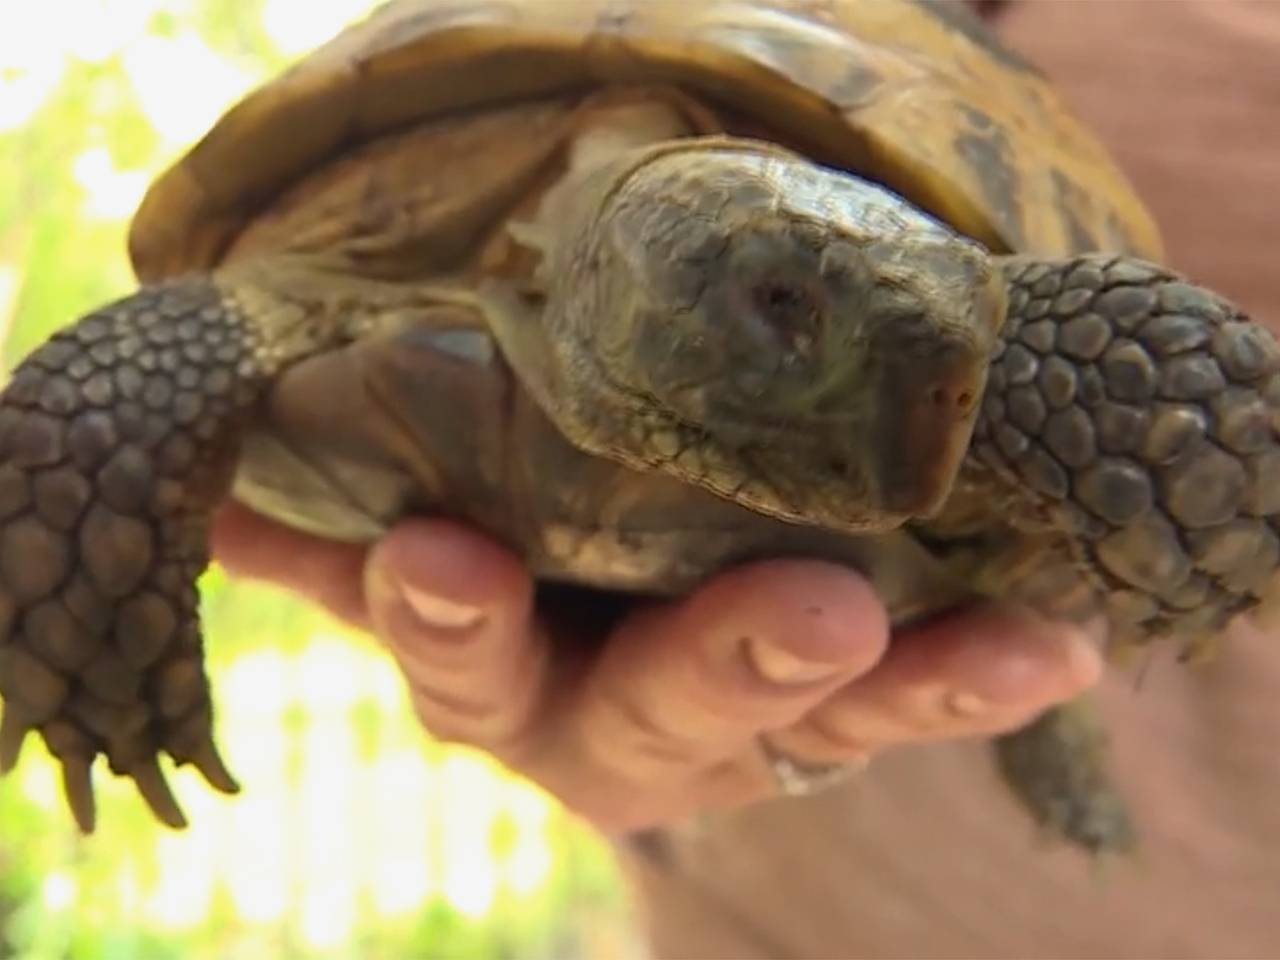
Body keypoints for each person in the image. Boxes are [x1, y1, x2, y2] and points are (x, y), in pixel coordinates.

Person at [212, 2, 1280, 955]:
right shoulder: (358, 223)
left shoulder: (950, 340)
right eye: (777, 315)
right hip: (772, 877)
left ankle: (1046, 704)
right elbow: (164, 345)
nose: (938, 379)